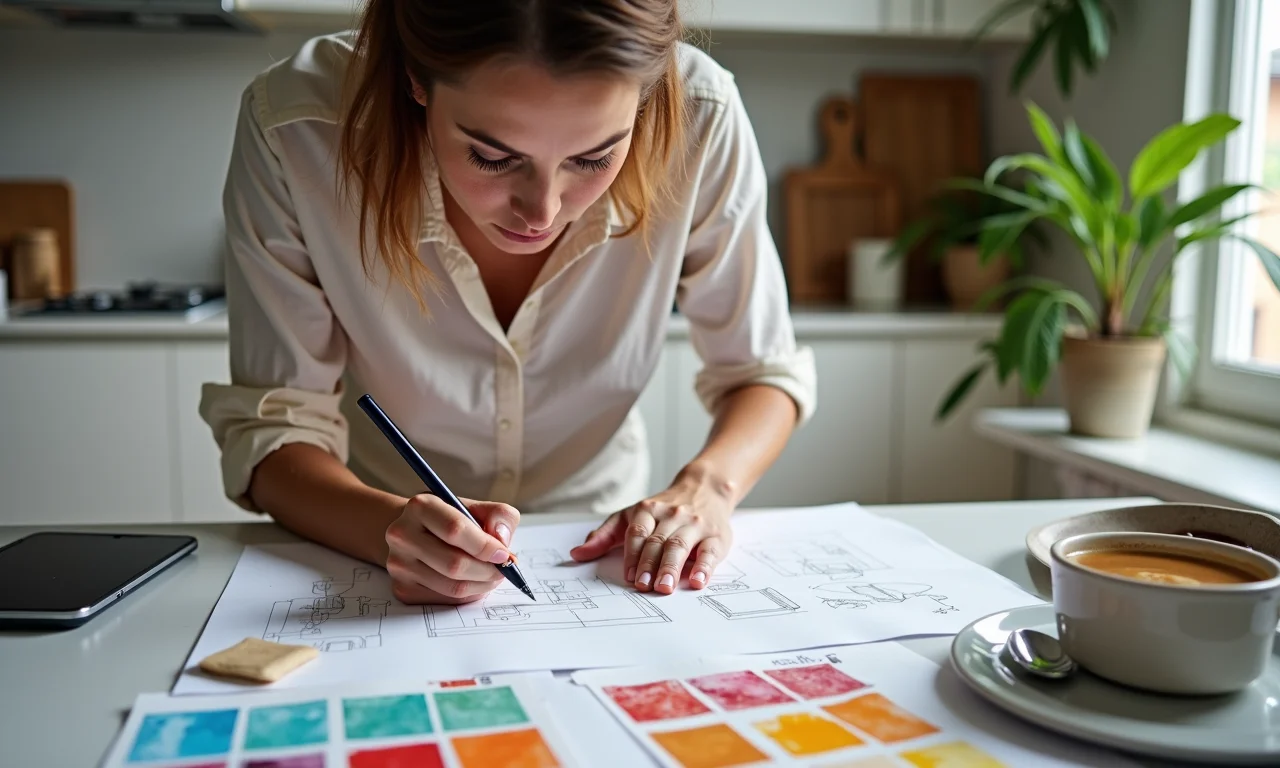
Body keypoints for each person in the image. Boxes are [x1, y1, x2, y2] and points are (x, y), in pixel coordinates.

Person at [199, 0, 816, 607]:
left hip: (599, 535)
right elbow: (276, 427)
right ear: (416, 79)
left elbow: (761, 373)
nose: (542, 212)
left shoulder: (701, 116)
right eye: (492, 156)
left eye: (595, 156)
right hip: (371, 531)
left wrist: (705, 491)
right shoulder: (297, 127)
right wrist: (384, 527)